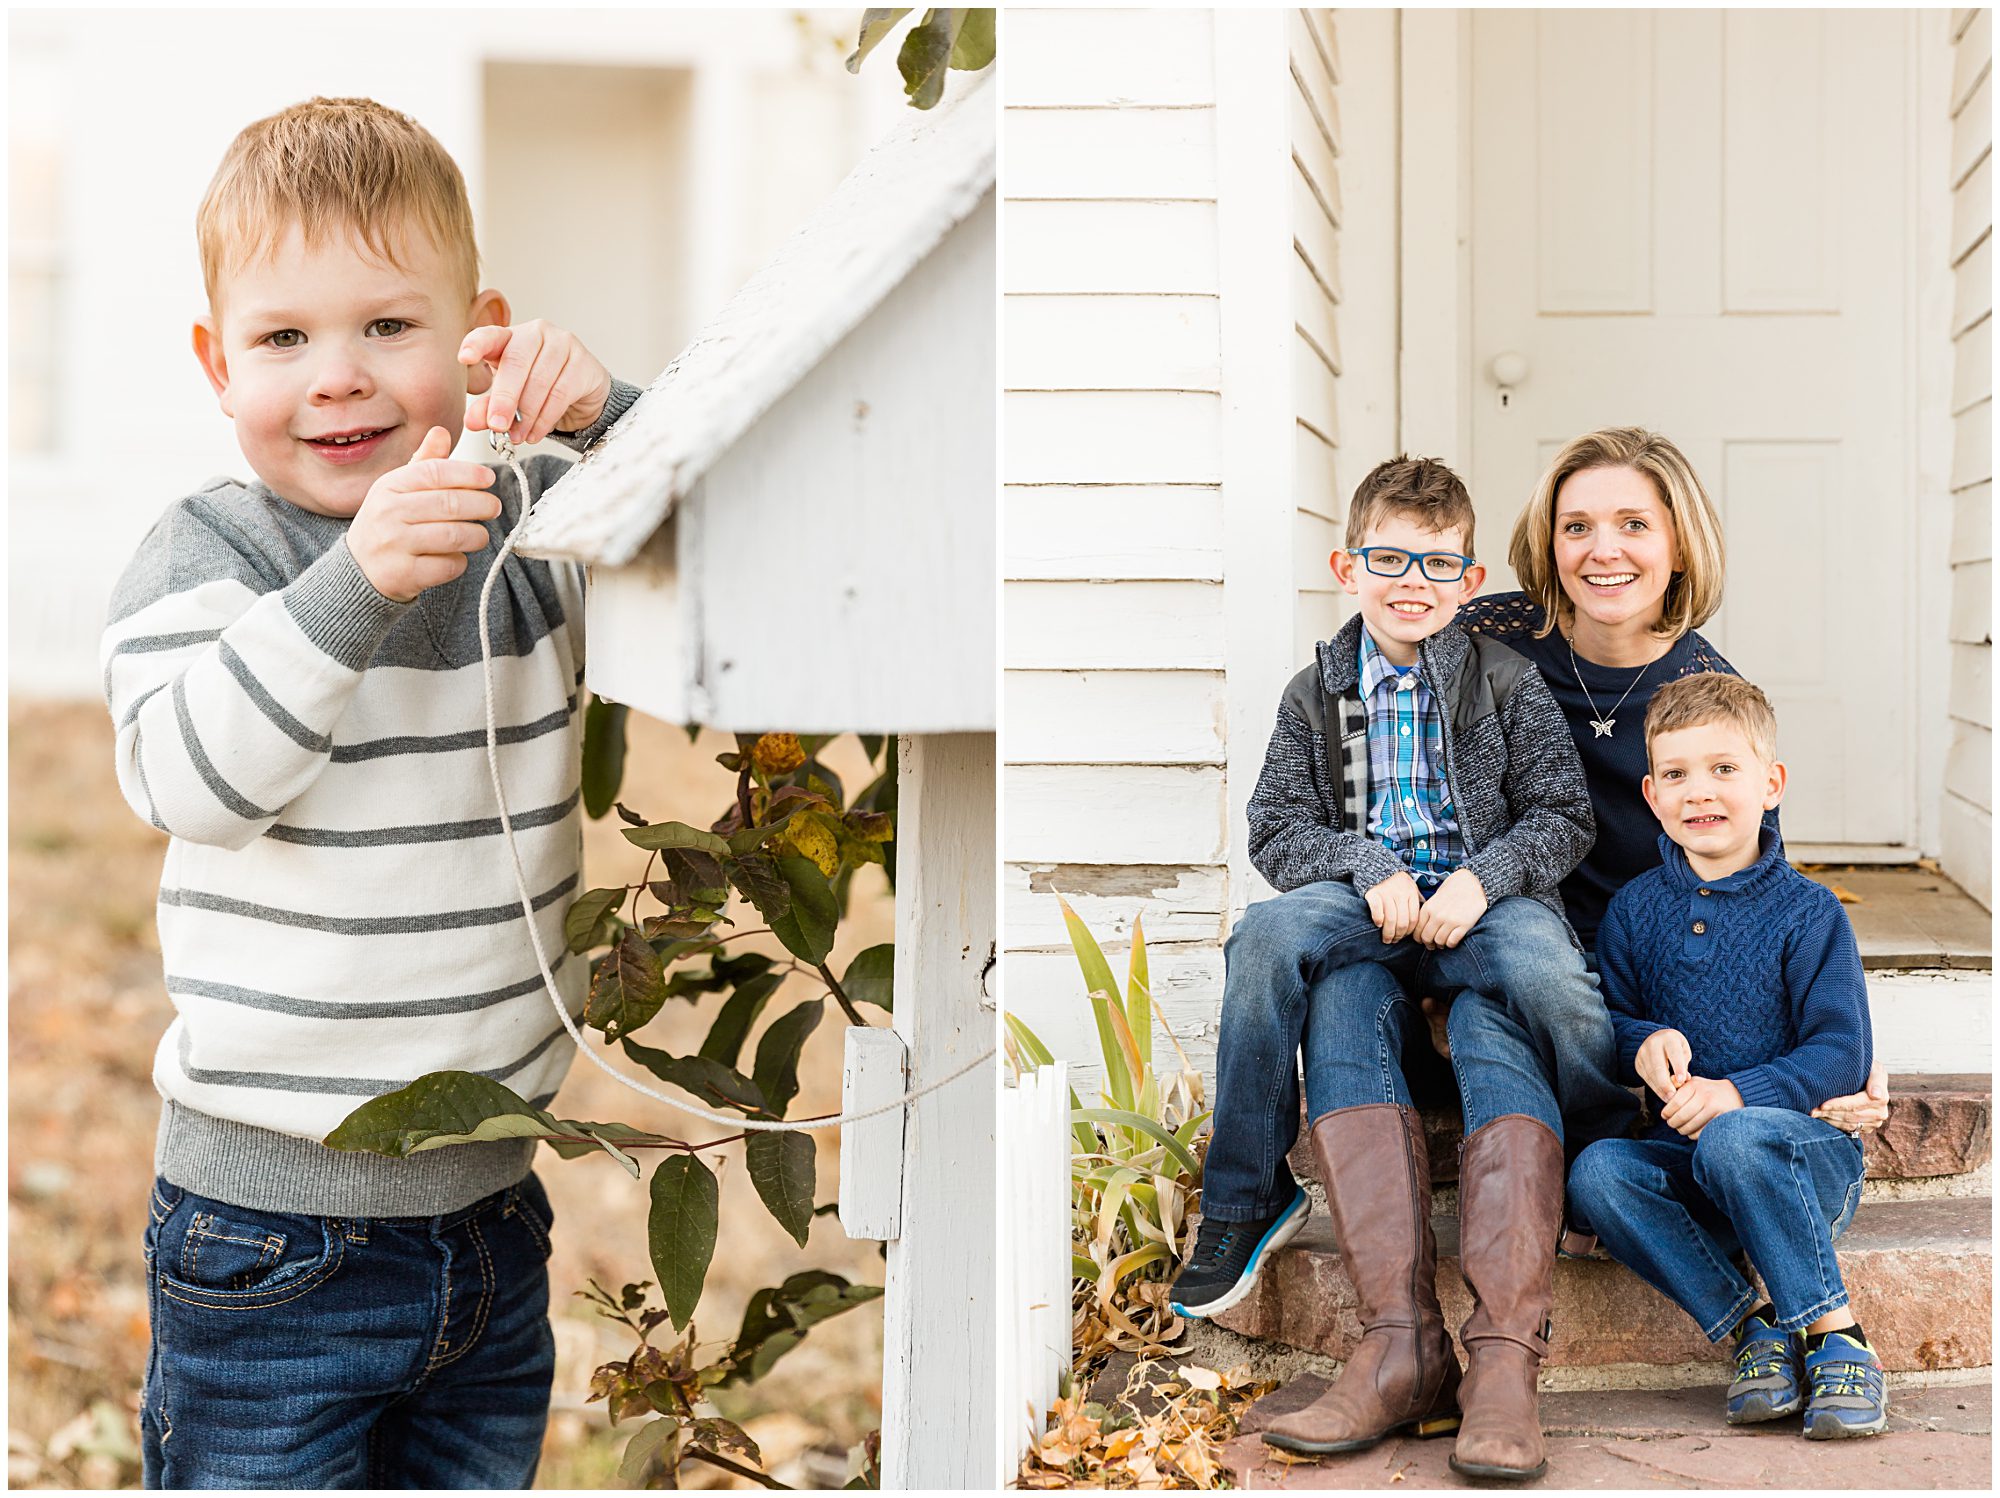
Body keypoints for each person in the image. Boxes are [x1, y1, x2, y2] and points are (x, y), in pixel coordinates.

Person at [100, 97, 640, 1487]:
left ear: (480, 335)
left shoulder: (524, 528)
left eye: (389, 328)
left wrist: (602, 413)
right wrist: (352, 588)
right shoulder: (210, 551)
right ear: (221, 365)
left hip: (491, 1215)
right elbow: (187, 774)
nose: (337, 377)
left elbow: (727, 524)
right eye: (285, 338)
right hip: (269, 1232)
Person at [1167, 456, 1635, 1479]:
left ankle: (1595, 1175)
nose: (1410, 579)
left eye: (1435, 561)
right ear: (1346, 565)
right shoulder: (1313, 692)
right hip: (1368, 908)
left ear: (1469, 579)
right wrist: (1363, 862)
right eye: (1387, 558)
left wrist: (1485, 876)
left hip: (1482, 903)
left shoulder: (1505, 682)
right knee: (1274, 948)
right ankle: (1253, 1205)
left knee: (1542, 981)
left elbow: (1563, 817)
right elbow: (1274, 830)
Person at [1567, 673, 1884, 1439]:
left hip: (1797, 1160)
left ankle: (1836, 1333)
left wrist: (1741, 1092)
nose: (1698, 793)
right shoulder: (1636, 912)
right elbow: (1612, 1018)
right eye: (1676, 775)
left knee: (1738, 1135)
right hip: (1687, 1165)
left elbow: (1844, 1050)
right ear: (1650, 795)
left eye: (1724, 770)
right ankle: (1755, 1331)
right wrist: (1643, 1043)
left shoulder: (1809, 913)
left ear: (1770, 784)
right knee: (1599, 1172)